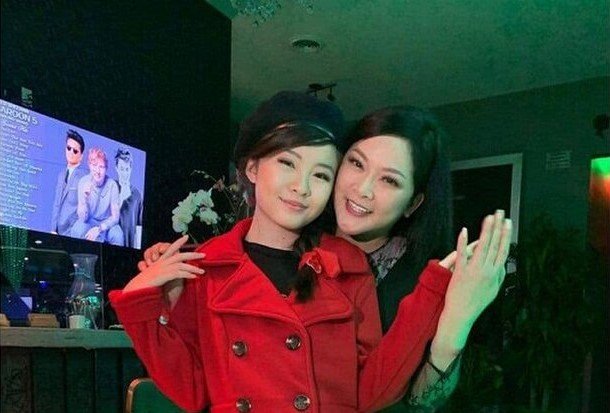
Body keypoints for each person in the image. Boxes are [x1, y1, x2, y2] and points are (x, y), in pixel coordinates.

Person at [110, 91, 507, 412]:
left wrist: (436, 297)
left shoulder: (345, 266)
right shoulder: (204, 267)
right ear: (252, 168)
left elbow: (375, 394)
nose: (301, 186)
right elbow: (190, 391)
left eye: (320, 174)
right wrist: (141, 302)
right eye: (287, 162)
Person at [334, 105, 511, 411]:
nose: (362, 189)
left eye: (389, 181)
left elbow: (421, 404)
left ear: (412, 203)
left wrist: (456, 320)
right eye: (356, 163)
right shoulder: (292, 246)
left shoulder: (427, 282)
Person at [71, 148, 124, 245]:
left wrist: (100, 228)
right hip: (89, 222)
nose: (97, 171)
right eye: (94, 165)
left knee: (118, 235)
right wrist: (85, 198)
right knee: (76, 230)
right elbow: (82, 218)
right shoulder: (83, 182)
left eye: (101, 167)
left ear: (106, 168)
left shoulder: (112, 185)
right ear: (89, 165)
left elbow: (115, 217)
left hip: (107, 224)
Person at [51, 129, 87, 235]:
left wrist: (73, 232)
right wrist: (53, 229)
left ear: (81, 156)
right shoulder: (61, 174)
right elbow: (57, 203)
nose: (71, 152)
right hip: (56, 232)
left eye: (75, 151)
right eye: (68, 148)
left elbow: (84, 209)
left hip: (72, 233)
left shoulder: (83, 177)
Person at [115, 148, 143, 248]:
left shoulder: (137, 194)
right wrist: (122, 196)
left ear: (131, 169)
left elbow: (139, 225)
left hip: (129, 247)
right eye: (122, 169)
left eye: (127, 169)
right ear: (116, 168)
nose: (124, 173)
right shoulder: (111, 187)